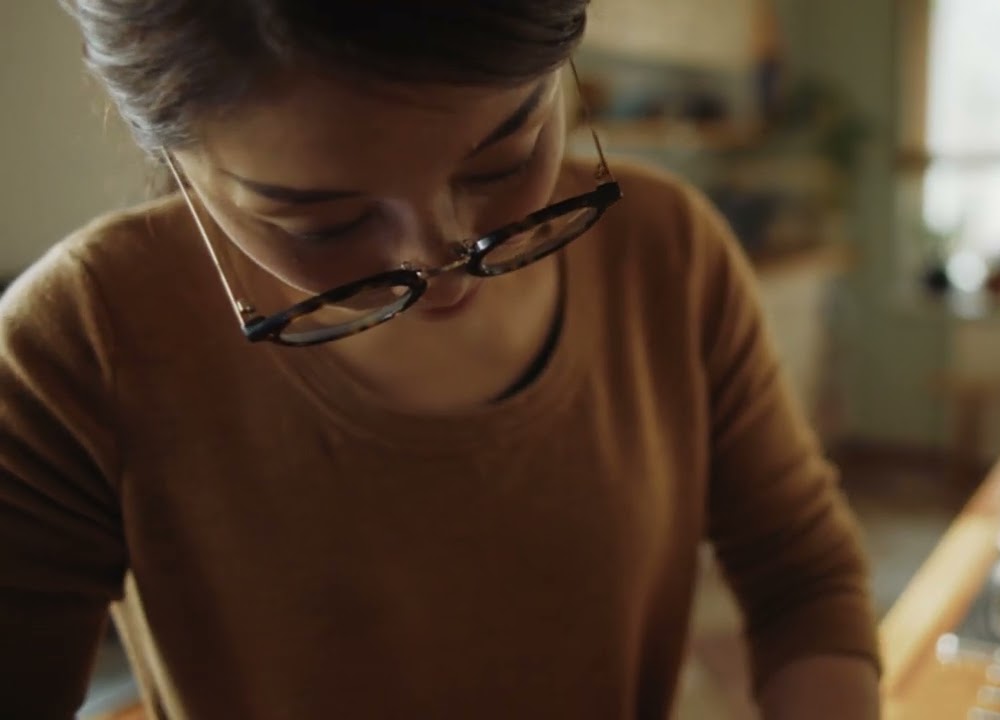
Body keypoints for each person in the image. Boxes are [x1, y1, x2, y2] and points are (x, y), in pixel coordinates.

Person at [0, 2, 881, 717]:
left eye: (504, 160)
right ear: (175, 157)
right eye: (327, 223)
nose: (443, 263)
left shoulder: (669, 257)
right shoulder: (80, 346)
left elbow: (801, 579)